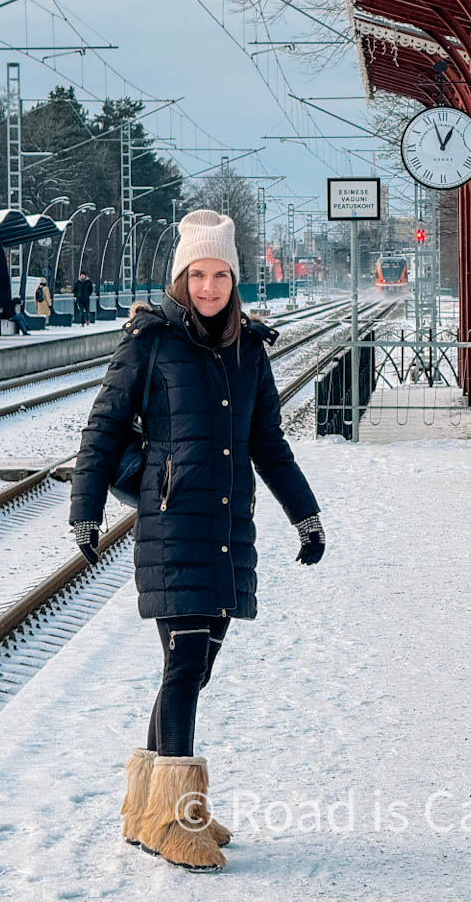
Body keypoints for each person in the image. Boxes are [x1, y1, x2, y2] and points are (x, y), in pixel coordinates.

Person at [68, 209, 325, 874]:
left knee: (195, 669)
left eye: (219, 274)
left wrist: (306, 514)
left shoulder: (247, 351)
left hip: (227, 529)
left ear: (234, 280)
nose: (208, 285)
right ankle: (176, 820)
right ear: (180, 278)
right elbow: (103, 428)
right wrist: (87, 509)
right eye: (196, 274)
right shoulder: (150, 342)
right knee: (184, 666)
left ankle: (149, 806)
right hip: (173, 528)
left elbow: (266, 440)